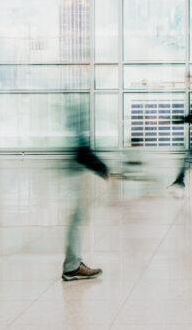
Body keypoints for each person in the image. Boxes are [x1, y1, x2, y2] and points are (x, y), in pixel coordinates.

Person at [62, 101, 109, 281]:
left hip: (74, 167)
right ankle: (72, 266)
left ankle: (72, 264)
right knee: (77, 217)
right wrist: (101, 167)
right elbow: (80, 145)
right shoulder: (76, 98)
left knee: (77, 217)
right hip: (75, 168)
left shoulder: (74, 94)